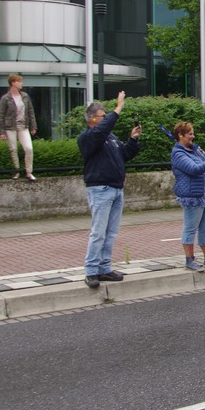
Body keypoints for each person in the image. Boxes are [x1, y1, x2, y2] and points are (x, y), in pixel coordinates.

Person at [78, 91, 142, 289]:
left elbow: (124, 154)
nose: (106, 119)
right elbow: (101, 130)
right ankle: (91, 270)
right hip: (100, 189)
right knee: (98, 232)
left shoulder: (109, 137)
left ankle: (104, 268)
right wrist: (118, 108)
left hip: (116, 189)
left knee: (110, 232)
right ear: (92, 119)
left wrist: (132, 140)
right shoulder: (88, 137)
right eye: (102, 116)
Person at [171, 121, 205, 272]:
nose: (193, 137)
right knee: (190, 228)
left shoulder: (194, 150)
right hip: (192, 196)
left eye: (193, 133)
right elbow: (194, 169)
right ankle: (189, 260)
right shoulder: (178, 154)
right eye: (190, 134)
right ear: (180, 135)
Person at [0, 73, 38, 182]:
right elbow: (1, 115)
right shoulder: (5, 98)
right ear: (13, 83)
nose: (21, 83)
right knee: (13, 149)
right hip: (10, 127)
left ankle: (29, 172)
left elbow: (30, 111)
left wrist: (33, 126)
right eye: (19, 81)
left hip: (23, 126)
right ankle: (16, 171)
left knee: (29, 148)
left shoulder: (25, 96)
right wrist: (1, 132)